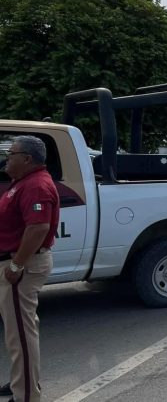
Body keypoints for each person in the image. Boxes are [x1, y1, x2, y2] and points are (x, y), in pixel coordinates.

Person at [0, 136, 58, 402]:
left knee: (21, 335)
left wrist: (16, 264)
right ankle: (20, 382)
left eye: (11, 153)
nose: (6, 157)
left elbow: (38, 228)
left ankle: (25, 396)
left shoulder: (36, 184)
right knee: (17, 334)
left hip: (22, 267)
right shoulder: (22, 182)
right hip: (18, 263)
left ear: (27, 159)